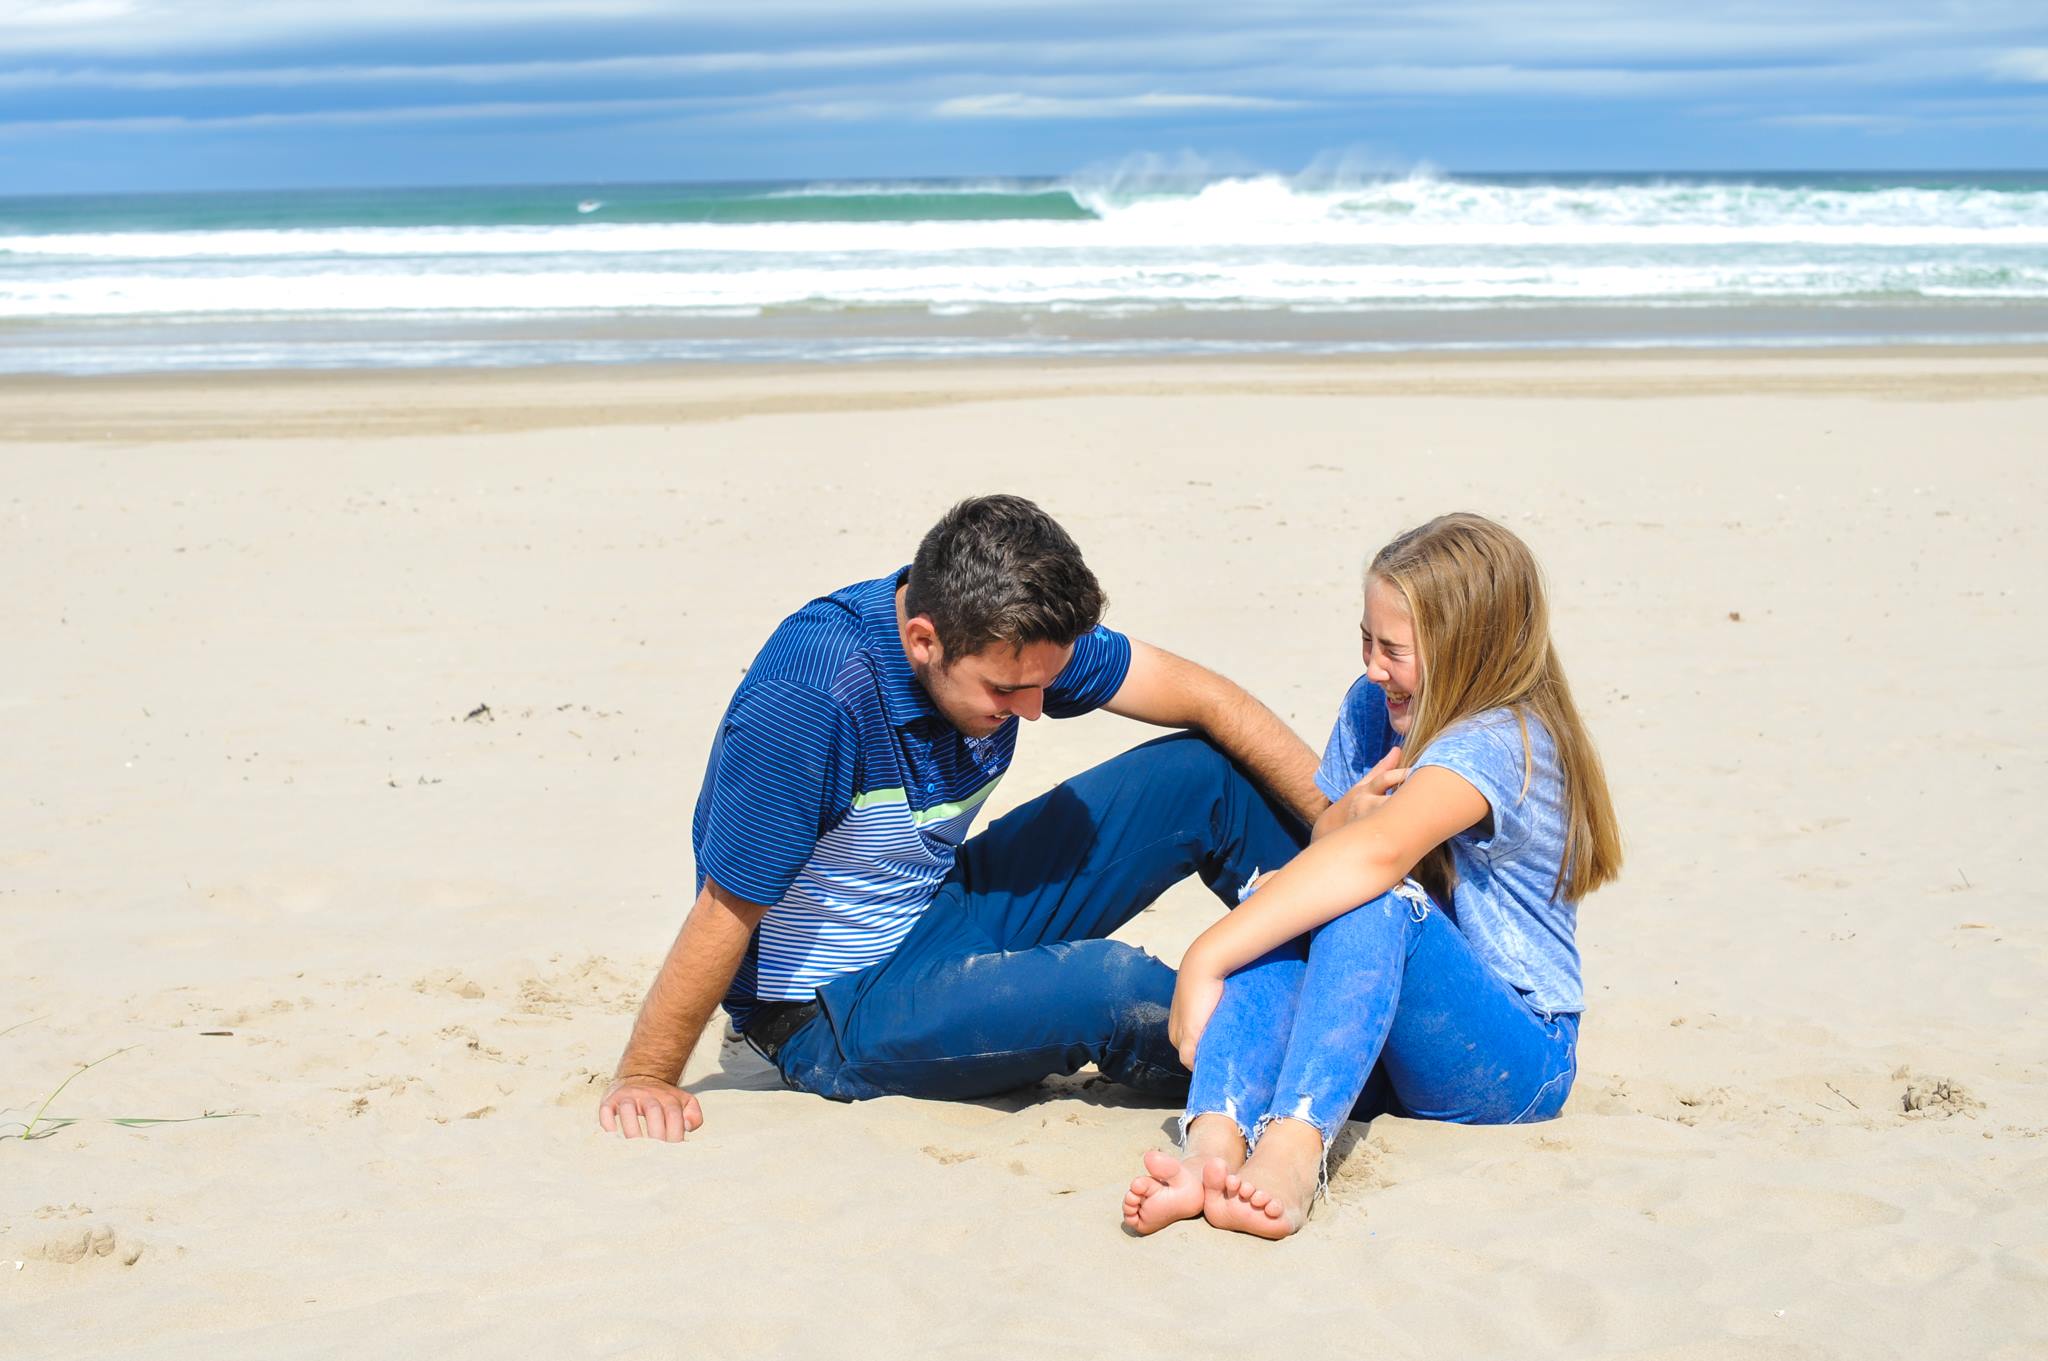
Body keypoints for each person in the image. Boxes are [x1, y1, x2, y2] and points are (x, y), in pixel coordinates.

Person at [599, 494, 1328, 1141]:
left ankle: (1355, 939)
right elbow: (725, 906)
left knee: (1197, 774)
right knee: (1110, 986)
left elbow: (1203, 695)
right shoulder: (813, 700)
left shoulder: (1006, 631)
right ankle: (1328, 1060)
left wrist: (1343, 827)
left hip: (939, 903)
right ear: (924, 640)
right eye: (1010, 691)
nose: (1037, 710)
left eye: (1044, 683)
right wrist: (648, 1074)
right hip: (835, 1007)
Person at [1122, 512, 1623, 1239]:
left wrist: (1207, 954)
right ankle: (1212, 1145)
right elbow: (1336, 841)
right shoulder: (1377, 706)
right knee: (1290, 898)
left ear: (1469, 653)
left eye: (1393, 648)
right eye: (1366, 638)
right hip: (1387, 1030)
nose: (1371, 666)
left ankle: (1292, 1150)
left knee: (1366, 900)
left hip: (1517, 1056)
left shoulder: (1504, 741)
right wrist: (1333, 826)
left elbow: (1379, 856)